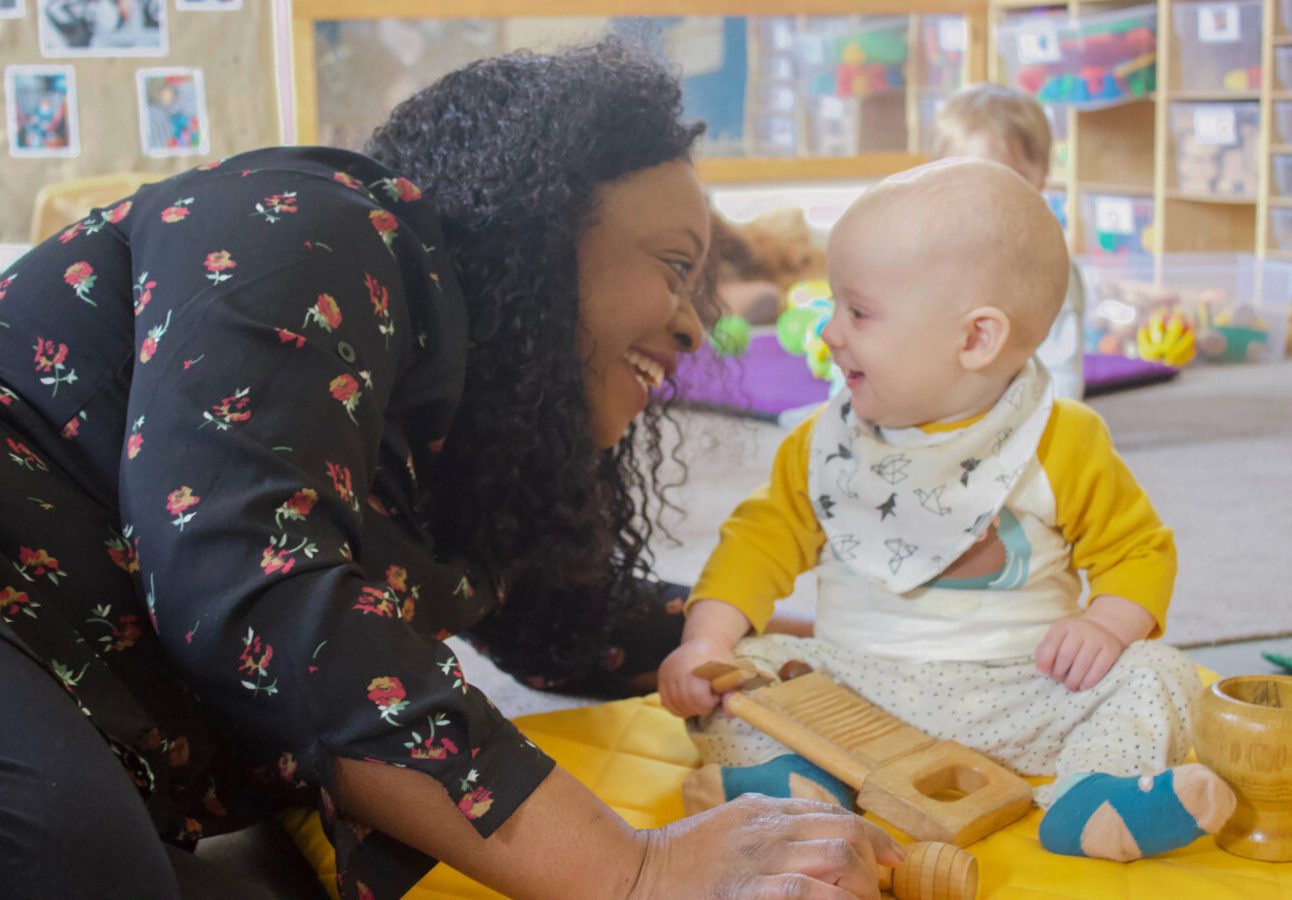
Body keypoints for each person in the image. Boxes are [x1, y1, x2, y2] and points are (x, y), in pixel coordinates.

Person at [0, 40, 903, 900]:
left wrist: (811, 629)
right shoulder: (312, 223)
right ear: (543, 227)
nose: (691, 325)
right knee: (78, 858)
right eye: (673, 267)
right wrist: (634, 872)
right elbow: (251, 574)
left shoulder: (450, 417)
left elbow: (561, 623)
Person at [659, 159, 1237, 863]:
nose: (831, 332)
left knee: (1160, 674)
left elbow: (1138, 551)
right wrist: (706, 641)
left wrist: (1104, 625)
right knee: (740, 676)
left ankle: (1094, 795)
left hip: (1027, 691)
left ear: (975, 339)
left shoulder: (1062, 439)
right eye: (834, 306)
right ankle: (800, 785)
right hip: (853, 690)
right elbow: (757, 546)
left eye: (859, 312)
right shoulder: (821, 443)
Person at [931, 83, 1087, 400]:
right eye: (968, 178)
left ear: (1040, 177)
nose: (987, 196)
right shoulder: (927, 253)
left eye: (1007, 177)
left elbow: (1064, 374)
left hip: (1020, 414)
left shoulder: (1050, 268)